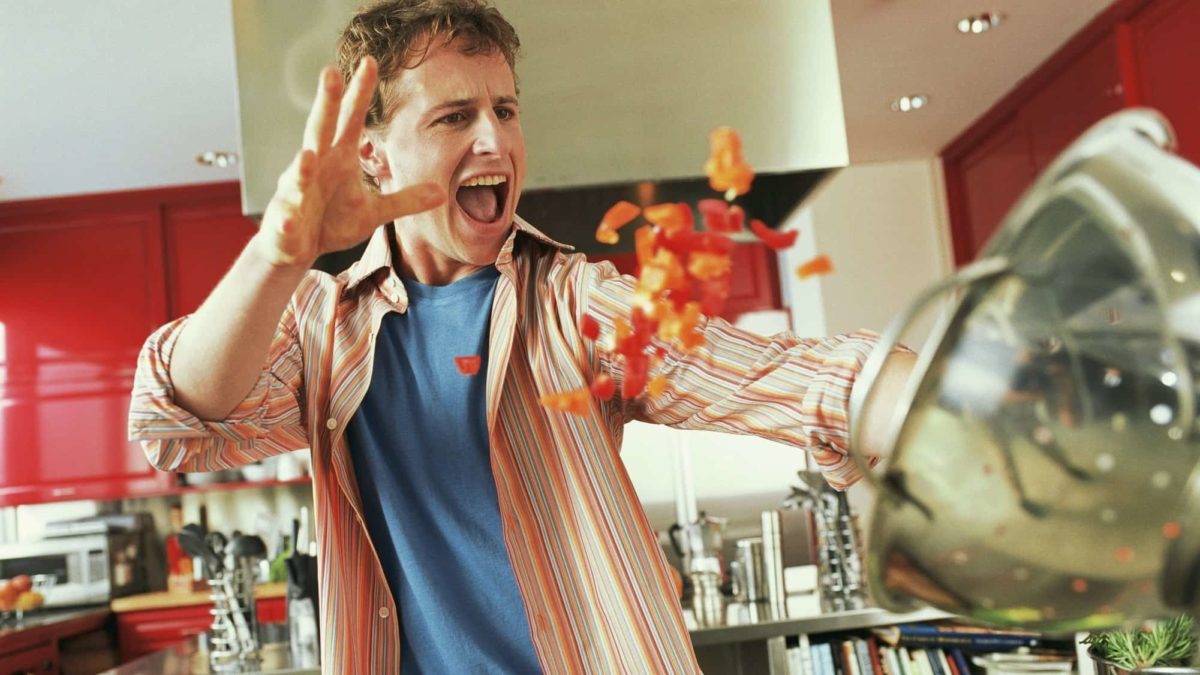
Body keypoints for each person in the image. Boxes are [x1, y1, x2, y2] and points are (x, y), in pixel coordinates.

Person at [128, 1, 916, 672]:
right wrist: (277, 254)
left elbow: (780, 376)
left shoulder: (574, 303)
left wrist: (950, 389)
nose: (495, 141)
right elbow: (174, 420)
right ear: (374, 155)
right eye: (453, 117)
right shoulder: (322, 329)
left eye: (505, 109)